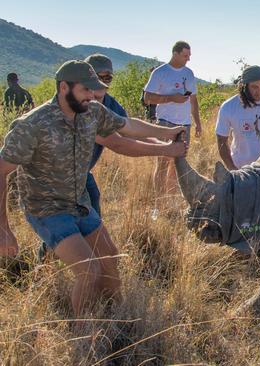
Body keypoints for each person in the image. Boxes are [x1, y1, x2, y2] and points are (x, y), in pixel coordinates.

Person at [0, 60, 186, 316]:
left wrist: (168, 134)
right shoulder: (32, 125)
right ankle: (84, 337)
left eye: (94, 89)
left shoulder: (92, 112)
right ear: (64, 87)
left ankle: (117, 317)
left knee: (109, 258)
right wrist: (3, 228)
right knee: (88, 269)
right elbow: (1, 172)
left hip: (79, 202)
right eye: (86, 90)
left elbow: (127, 126)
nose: (92, 95)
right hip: (46, 209)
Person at [84, 54, 187, 216]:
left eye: (107, 77)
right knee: (68, 230)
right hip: (57, 177)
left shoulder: (109, 104)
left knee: (92, 220)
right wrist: (166, 150)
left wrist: (165, 141)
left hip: (82, 172)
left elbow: (130, 128)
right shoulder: (83, 105)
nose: (102, 82)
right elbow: (118, 143)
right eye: (97, 77)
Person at [144, 41, 202, 194]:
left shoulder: (189, 73)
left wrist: (198, 123)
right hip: (165, 123)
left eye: (189, 56)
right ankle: (159, 202)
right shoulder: (160, 72)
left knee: (178, 164)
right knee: (162, 162)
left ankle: (171, 199)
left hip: (185, 125)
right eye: (185, 55)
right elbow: (147, 98)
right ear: (175, 54)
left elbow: (193, 100)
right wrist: (171, 98)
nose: (188, 59)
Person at [215, 65, 260, 170]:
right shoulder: (229, 107)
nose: (259, 91)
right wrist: (232, 168)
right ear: (244, 86)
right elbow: (221, 140)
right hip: (240, 167)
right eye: (254, 87)